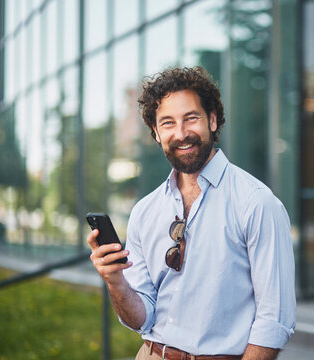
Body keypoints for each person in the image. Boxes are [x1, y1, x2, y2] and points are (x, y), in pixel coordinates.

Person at [87, 67, 296, 359]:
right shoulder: (144, 212)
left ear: (212, 120)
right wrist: (114, 280)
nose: (181, 133)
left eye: (191, 118)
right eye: (168, 123)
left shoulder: (257, 203)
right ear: (156, 134)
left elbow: (275, 320)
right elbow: (141, 318)